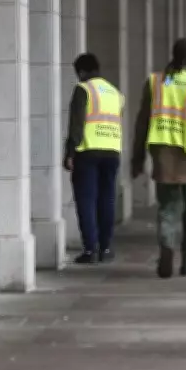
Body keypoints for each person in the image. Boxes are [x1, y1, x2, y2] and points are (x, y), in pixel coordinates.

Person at [132, 37, 186, 279]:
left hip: (163, 157)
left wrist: (138, 157)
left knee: (167, 208)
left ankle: (167, 246)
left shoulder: (156, 83)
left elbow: (142, 122)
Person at [63, 53, 124, 265]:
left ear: (81, 72)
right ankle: (105, 248)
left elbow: (77, 124)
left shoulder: (83, 89)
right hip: (112, 150)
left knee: (87, 200)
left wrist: (70, 152)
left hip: (88, 151)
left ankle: (90, 249)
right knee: (107, 200)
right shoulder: (114, 92)